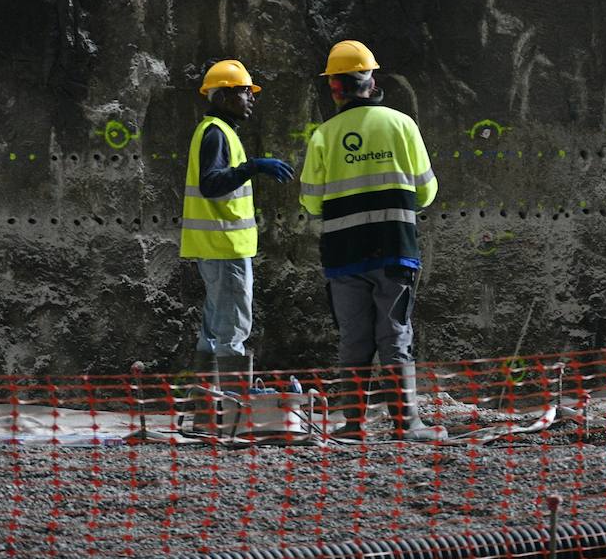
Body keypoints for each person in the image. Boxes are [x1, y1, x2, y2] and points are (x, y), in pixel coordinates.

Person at [299, 40, 444, 441]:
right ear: (372, 80)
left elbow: (310, 201)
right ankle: (406, 424)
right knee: (395, 336)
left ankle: (353, 426)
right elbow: (427, 192)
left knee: (354, 340)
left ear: (335, 88)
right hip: (394, 249)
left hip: (344, 255)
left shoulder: (324, 135)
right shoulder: (402, 125)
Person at [179, 59, 295, 406]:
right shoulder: (216, 132)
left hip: (218, 246)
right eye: (245, 91)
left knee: (214, 328)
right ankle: (233, 403)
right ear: (225, 96)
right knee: (232, 327)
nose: (251, 99)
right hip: (224, 246)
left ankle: (206, 404)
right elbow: (212, 184)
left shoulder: (216, 131)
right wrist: (253, 167)